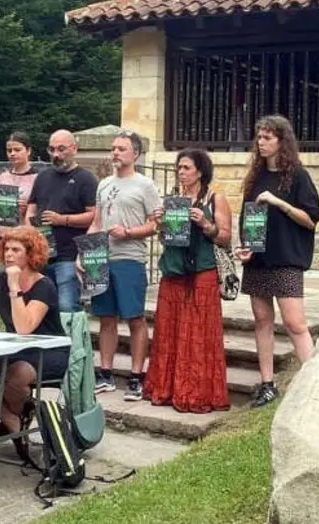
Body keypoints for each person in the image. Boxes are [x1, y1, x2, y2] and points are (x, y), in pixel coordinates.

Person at [234, 115, 319, 408]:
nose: (261, 142)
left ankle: (315, 385)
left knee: (295, 324)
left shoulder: (298, 176)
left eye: (268, 138)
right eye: (259, 137)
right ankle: (268, 384)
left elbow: (311, 219)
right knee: (262, 321)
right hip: (258, 260)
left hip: (287, 259)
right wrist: (245, 248)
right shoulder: (255, 177)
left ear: (282, 141)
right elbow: (248, 218)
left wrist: (279, 202)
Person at [0, 227, 70, 458]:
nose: (9, 254)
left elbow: (24, 327)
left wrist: (14, 287)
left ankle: (18, 417)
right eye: (6, 249)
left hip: (47, 350)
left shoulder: (44, 286)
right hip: (13, 348)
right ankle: (12, 419)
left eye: (16, 250)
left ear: (30, 254)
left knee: (17, 374)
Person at [144, 149, 231, 414]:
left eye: (186, 168)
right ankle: (167, 388)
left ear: (200, 172)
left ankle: (197, 392)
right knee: (169, 333)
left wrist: (205, 223)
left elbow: (225, 237)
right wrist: (160, 224)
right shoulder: (174, 200)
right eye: (179, 168)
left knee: (198, 334)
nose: (181, 172)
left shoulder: (215, 199)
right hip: (173, 272)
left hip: (202, 273)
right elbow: (166, 239)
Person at [82, 130, 161, 401]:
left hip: (130, 258)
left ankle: (136, 376)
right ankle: (106, 373)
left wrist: (128, 232)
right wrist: (84, 254)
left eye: (121, 148)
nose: (115, 152)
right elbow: (96, 222)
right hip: (102, 258)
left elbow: (156, 224)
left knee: (135, 318)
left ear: (135, 154)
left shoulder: (145, 185)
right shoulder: (103, 184)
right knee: (106, 318)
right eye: (113, 148)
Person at [25, 129, 97, 313]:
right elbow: (31, 209)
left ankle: (73, 333)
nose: (56, 154)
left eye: (61, 149)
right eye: (52, 149)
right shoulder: (42, 177)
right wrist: (29, 231)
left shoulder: (86, 179)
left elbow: (94, 216)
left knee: (66, 307)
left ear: (74, 149)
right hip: (42, 255)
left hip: (69, 255)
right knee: (41, 308)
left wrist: (62, 220)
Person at [0, 131, 40, 245]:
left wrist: (28, 207)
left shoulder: (38, 178)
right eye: (9, 150)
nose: (12, 154)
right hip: (2, 237)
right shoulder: (2, 177)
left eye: (17, 150)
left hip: (24, 238)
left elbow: (42, 211)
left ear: (28, 151)